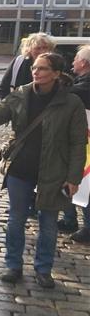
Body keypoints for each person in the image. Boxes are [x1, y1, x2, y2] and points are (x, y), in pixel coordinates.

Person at [0, 53, 87, 288]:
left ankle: (43, 269)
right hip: (20, 168)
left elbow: (79, 143)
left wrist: (73, 177)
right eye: (35, 68)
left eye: (43, 68)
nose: (36, 72)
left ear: (56, 74)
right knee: (16, 219)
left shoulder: (71, 103)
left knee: (48, 223)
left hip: (54, 171)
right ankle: (13, 265)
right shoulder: (20, 95)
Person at [63, 44, 90, 243]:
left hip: (82, 143)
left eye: (76, 58)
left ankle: (86, 226)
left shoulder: (81, 89)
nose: (73, 61)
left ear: (84, 63)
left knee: (84, 181)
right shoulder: (79, 84)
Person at [0, 33, 55, 100]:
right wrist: (10, 105)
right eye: (37, 48)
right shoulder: (19, 61)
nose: (42, 51)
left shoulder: (56, 63)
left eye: (45, 47)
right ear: (29, 49)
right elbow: (3, 88)